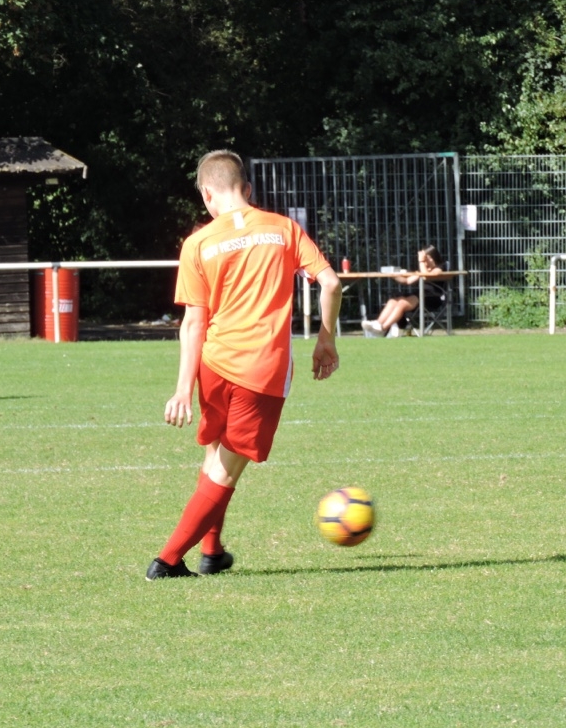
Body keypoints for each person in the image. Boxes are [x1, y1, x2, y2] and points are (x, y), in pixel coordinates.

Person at [147, 149, 342, 580]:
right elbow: (330, 283)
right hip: (261, 370)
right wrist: (325, 338)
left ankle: (212, 551)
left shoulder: (197, 243)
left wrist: (182, 389)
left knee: (219, 456)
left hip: (213, 366)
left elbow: (193, 323)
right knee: (225, 467)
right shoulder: (283, 229)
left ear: (206, 195)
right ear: (247, 190)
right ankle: (167, 561)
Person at [361, 245, 445, 338]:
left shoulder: (440, 267)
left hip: (432, 298)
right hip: (420, 295)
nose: (424, 261)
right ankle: (378, 324)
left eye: (425, 258)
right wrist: (392, 275)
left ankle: (383, 328)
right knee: (393, 301)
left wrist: (421, 261)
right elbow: (407, 281)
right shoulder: (423, 269)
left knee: (402, 303)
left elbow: (426, 276)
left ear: (431, 257)